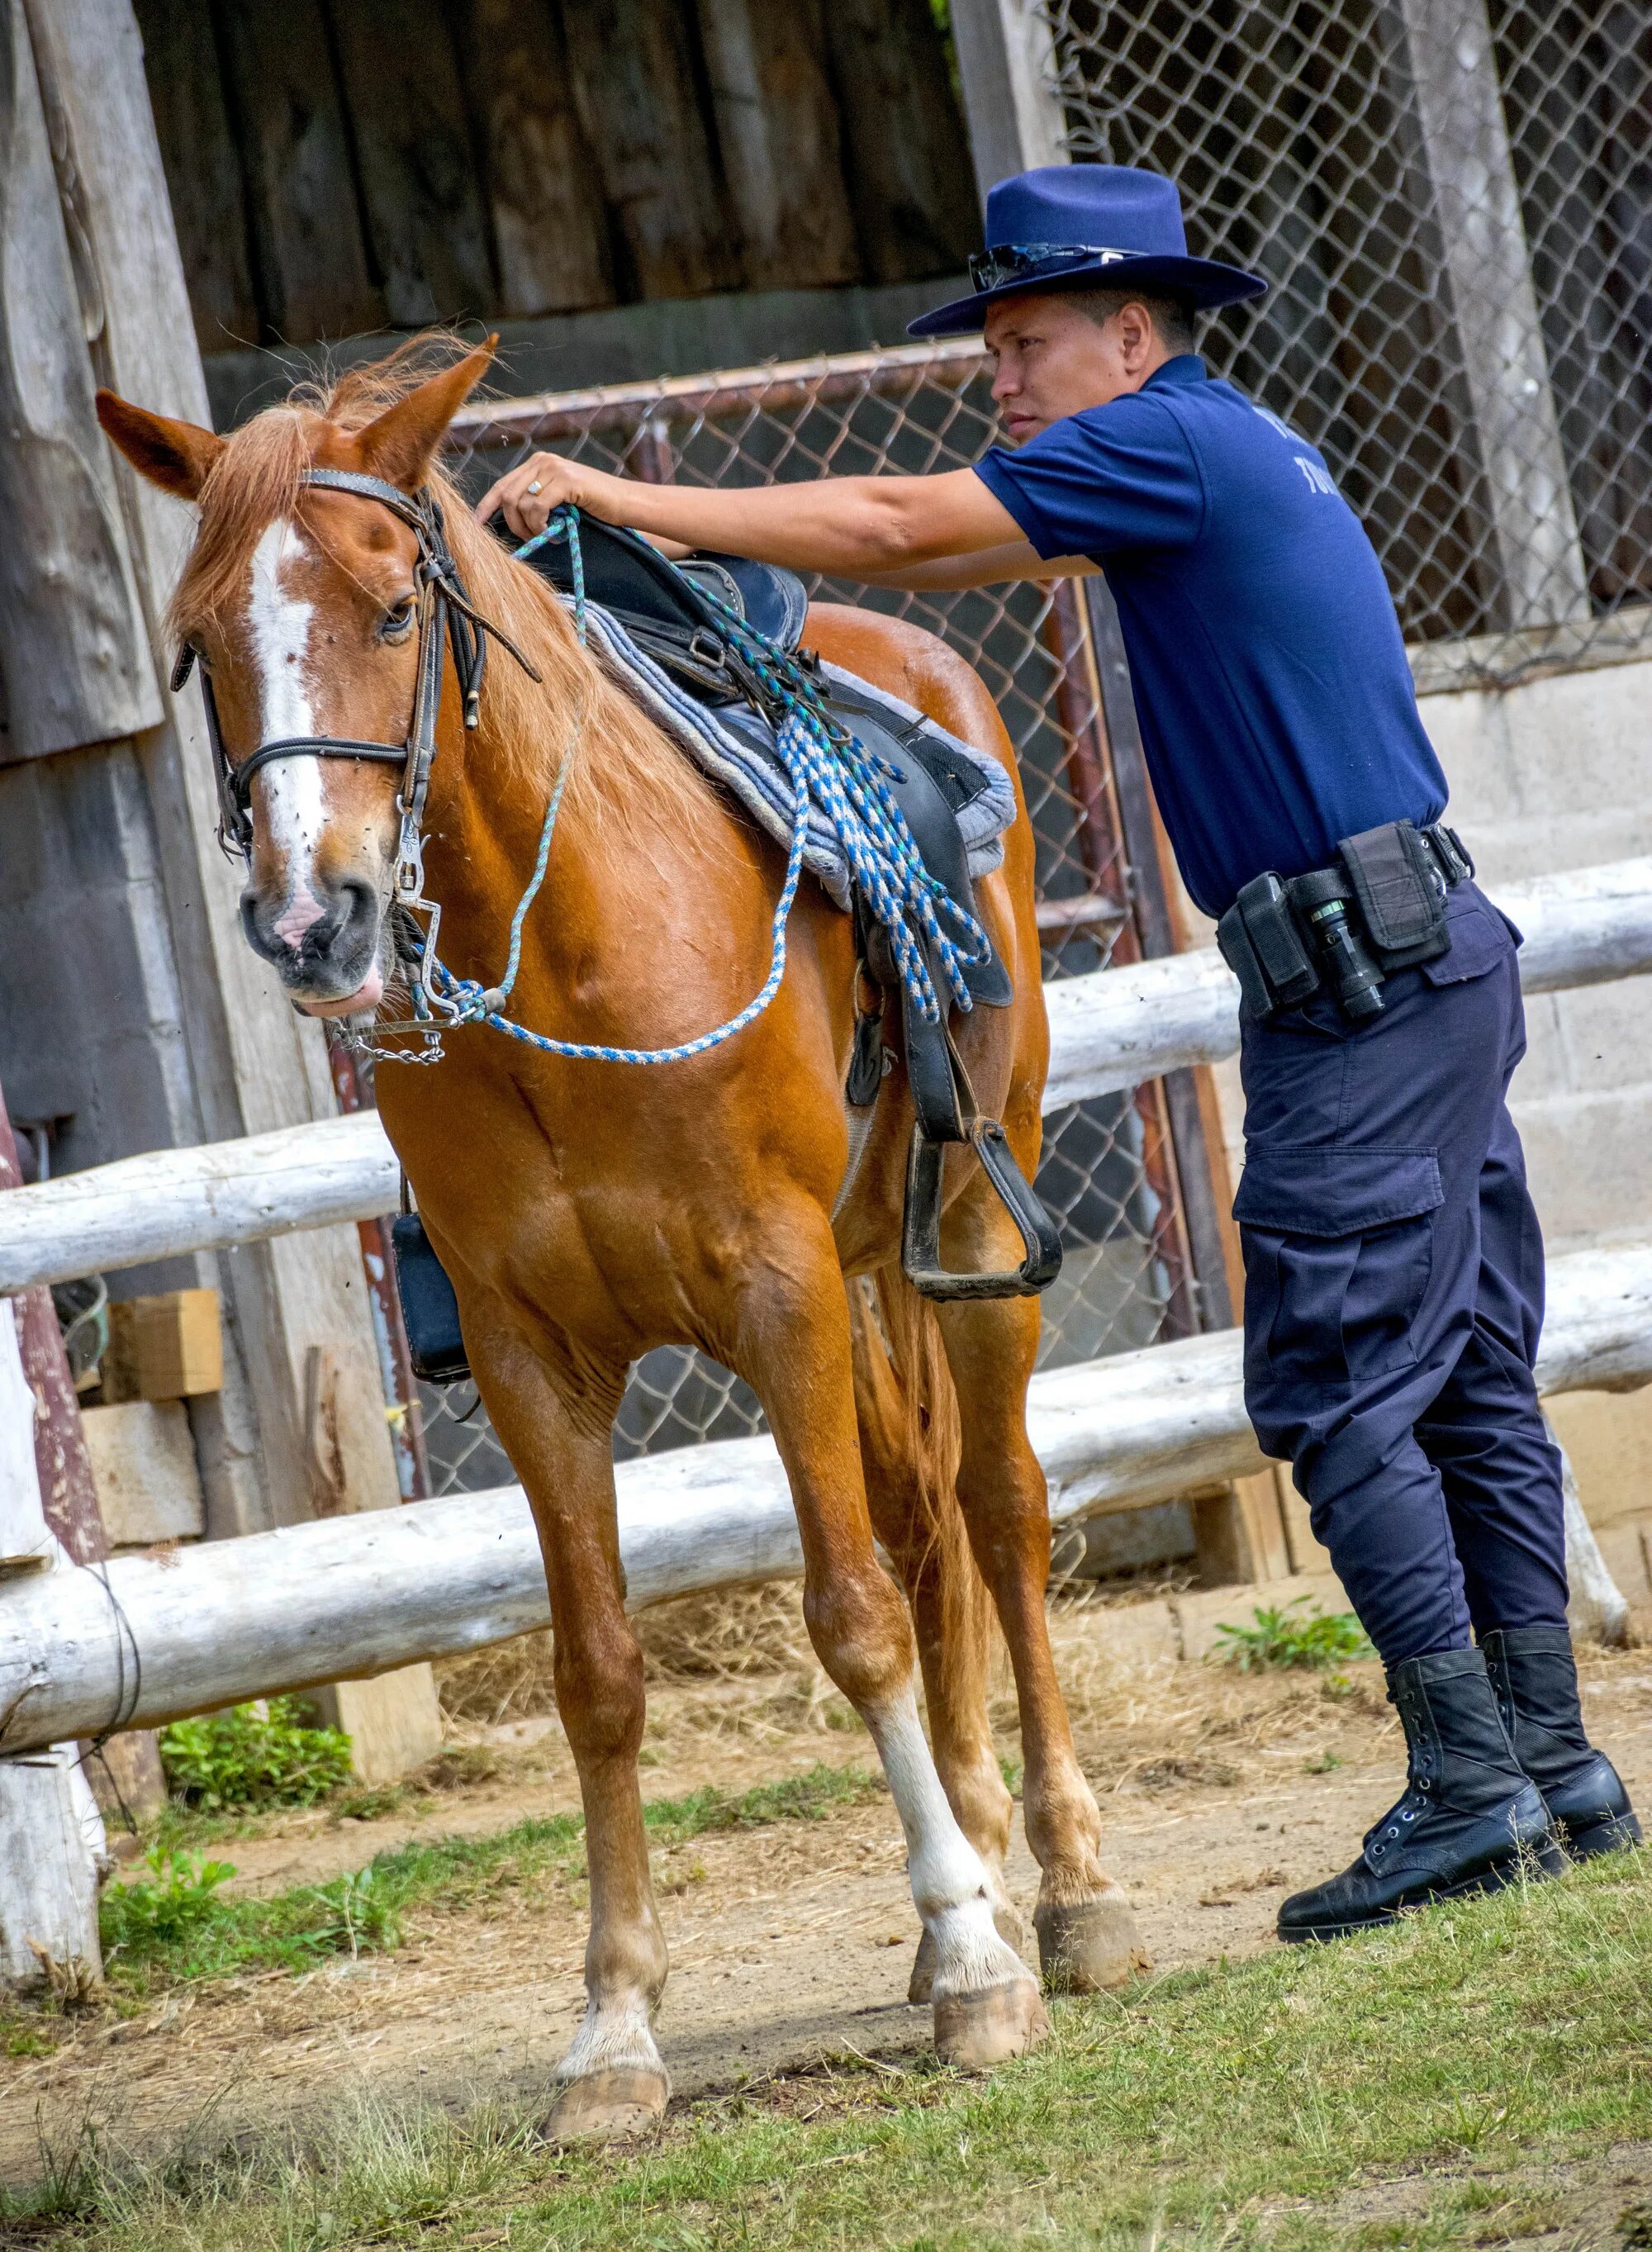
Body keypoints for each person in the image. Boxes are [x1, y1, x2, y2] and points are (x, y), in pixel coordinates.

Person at [479, 162, 1639, 1941]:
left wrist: (619, 493)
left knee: (1331, 1389)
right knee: (1468, 1371)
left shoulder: (1166, 438)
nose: (1000, 379)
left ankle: (1472, 1786)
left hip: (1362, 983)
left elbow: (887, 528)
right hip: (1421, 953)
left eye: (1026, 343)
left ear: (1128, 329)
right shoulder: (1222, 449)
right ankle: (1556, 1770)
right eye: (993, 347)